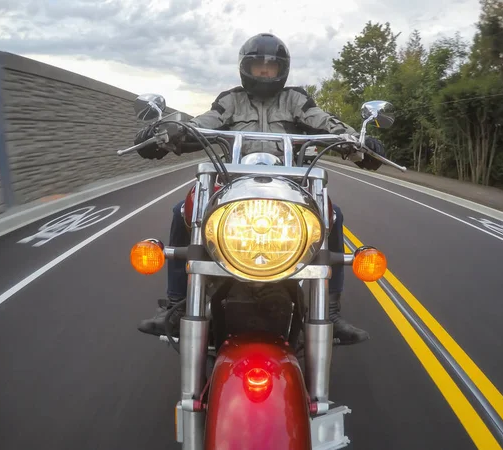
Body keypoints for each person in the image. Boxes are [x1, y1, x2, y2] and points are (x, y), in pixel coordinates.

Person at [133, 33, 386, 345]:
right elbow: (201, 123)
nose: (265, 73)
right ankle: (175, 303)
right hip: (232, 187)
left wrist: (357, 142)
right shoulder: (230, 100)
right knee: (183, 209)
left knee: (332, 214)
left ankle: (331, 310)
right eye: (258, 67)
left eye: (271, 68)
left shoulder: (296, 100)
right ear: (245, 68)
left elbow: (326, 123)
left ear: (283, 70)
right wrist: (166, 131)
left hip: (288, 190)